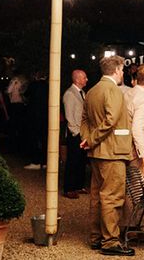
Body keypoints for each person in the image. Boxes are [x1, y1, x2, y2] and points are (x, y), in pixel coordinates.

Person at [80, 55, 133, 257]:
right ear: (117, 70)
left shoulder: (92, 91)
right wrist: (92, 139)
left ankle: (96, 237)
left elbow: (84, 119)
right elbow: (111, 120)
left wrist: (86, 139)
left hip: (96, 153)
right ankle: (110, 241)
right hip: (113, 152)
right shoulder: (114, 90)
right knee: (112, 197)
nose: (123, 74)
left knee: (97, 196)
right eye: (122, 70)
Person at [62, 69, 89, 199]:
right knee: (72, 160)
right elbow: (69, 116)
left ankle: (78, 185)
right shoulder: (69, 94)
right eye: (84, 78)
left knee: (81, 160)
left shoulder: (82, 92)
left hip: (82, 132)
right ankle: (69, 188)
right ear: (77, 79)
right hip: (75, 133)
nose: (86, 80)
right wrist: (76, 132)